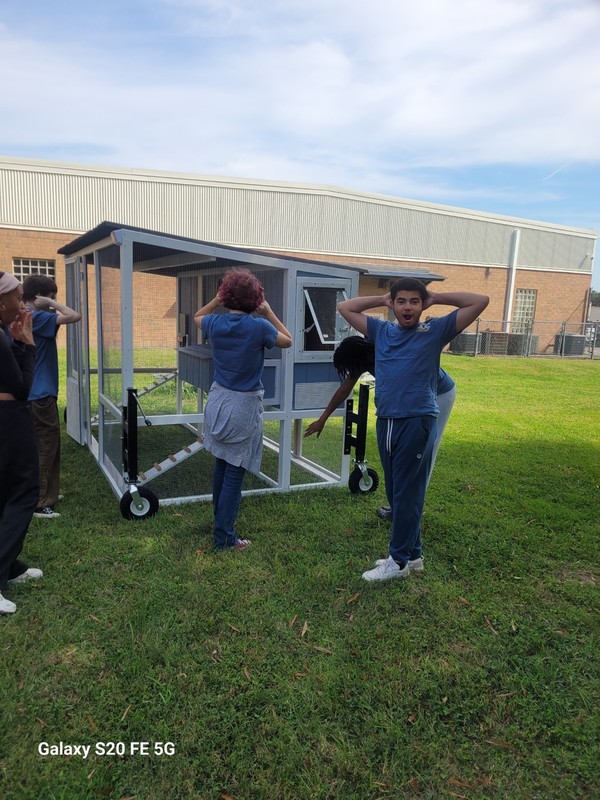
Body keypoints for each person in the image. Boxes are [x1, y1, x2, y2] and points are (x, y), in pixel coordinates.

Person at [338, 278, 489, 582]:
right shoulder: (381, 330)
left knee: (407, 493)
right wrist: (382, 299)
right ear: (393, 305)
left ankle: (398, 560)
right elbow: (345, 307)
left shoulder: (435, 331)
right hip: (387, 419)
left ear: (423, 304)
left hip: (417, 419)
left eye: (415, 301)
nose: (408, 307)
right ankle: (414, 554)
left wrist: (436, 296)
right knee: (396, 492)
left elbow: (480, 301)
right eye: (402, 301)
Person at [304, 335, 456, 520]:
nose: (350, 372)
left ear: (358, 358)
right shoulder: (362, 361)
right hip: (411, 403)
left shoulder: (387, 350)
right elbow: (344, 390)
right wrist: (323, 419)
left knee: (423, 455)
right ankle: (399, 508)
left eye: (349, 366)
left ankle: (410, 511)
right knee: (398, 459)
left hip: (439, 394)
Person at [194, 269, 292, 551]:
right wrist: (270, 312)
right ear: (255, 299)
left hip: (217, 400)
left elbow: (198, 317)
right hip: (243, 406)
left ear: (226, 295)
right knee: (234, 473)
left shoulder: (214, 322)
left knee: (222, 465)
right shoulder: (259, 327)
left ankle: (220, 525)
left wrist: (215, 301)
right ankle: (224, 538)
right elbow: (288, 340)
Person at [0, 271, 43, 614]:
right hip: (9, 420)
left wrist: (15, 342)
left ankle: (10, 566)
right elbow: (23, 388)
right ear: (2, 303)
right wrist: (27, 345)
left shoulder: (2, 332)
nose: (21, 302)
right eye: (17, 296)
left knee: (4, 494)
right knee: (25, 491)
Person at [22, 274, 81, 519]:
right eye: (51, 295)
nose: (54, 300)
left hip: (38, 393)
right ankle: (39, 502)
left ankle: (49, 493)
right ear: (38, 295)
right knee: (45, 446)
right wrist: (51, 303)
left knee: (49, 445)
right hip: (41, 395)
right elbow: (74, 315)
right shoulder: (35, 316)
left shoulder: (28, 315)